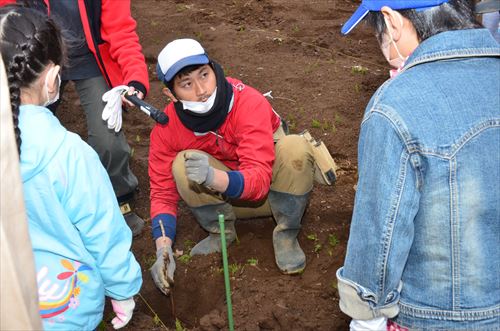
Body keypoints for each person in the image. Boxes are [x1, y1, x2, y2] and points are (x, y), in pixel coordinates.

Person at [336, 0, 500, 330]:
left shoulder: (395, 105)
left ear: (392, 20)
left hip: (440, 315)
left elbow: (381, 229)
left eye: (378, 35)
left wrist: (365, 313)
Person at [148, 38, 336, 295]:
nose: (202, 90)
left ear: (214, 68)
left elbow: (259, 182)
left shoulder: (247, 102)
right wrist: (163, 247)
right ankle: (220, 232)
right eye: (186, 84)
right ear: (171, 94)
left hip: (272, 193)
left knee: (295, 149)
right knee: (182, 164)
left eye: (204, 75)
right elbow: (161, 192)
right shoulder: (167, 128)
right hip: (225, 201)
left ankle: (286, 233)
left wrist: (212, 176)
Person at [0, 6, 142, 330]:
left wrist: (133, 79)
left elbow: (119, 30)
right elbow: (103, 230)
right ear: (53, 78)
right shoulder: (71, 155)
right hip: (64, 307)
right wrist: (123, 290)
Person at [0, 0, 150, 236]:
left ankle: (119, 193)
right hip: (38, 60)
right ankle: (30, 198)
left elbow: (121, 31)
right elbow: (7, 22)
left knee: (108, 141)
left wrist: (135, 79)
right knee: (19, 130)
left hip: (88, 58)